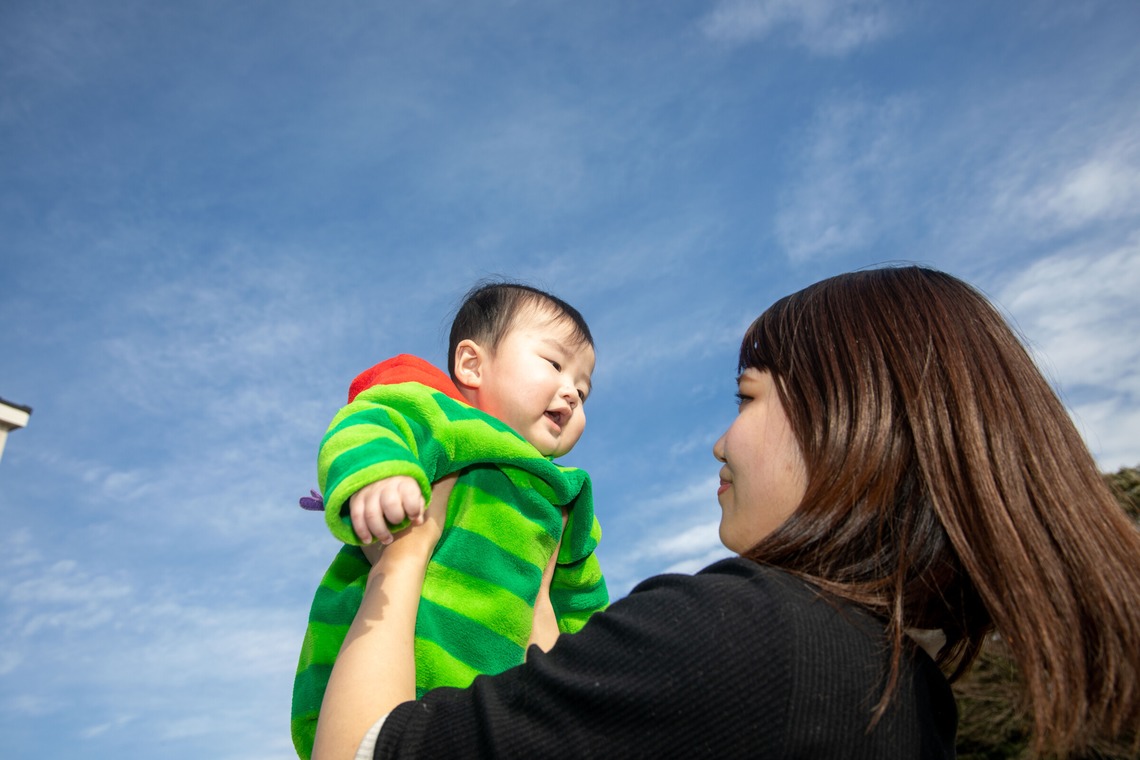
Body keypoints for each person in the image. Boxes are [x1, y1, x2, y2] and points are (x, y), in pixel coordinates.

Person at [312, 266, 1140, 759]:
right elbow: (376, 426)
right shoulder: (917, 705)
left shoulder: (737, 636)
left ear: (846, 420)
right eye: (553, 366)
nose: (718, 443)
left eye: (745, 400)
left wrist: (406, 552)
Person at [292, 283, 608, 759]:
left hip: (493, 707)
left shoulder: (566, 494)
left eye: (583, 391)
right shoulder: (439, 416)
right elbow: (370, 425)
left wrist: (599, 672)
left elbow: (585, 603)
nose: (572, 392)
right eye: (554, 364)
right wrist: (385, 476)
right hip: (388, 672)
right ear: (472, 365)